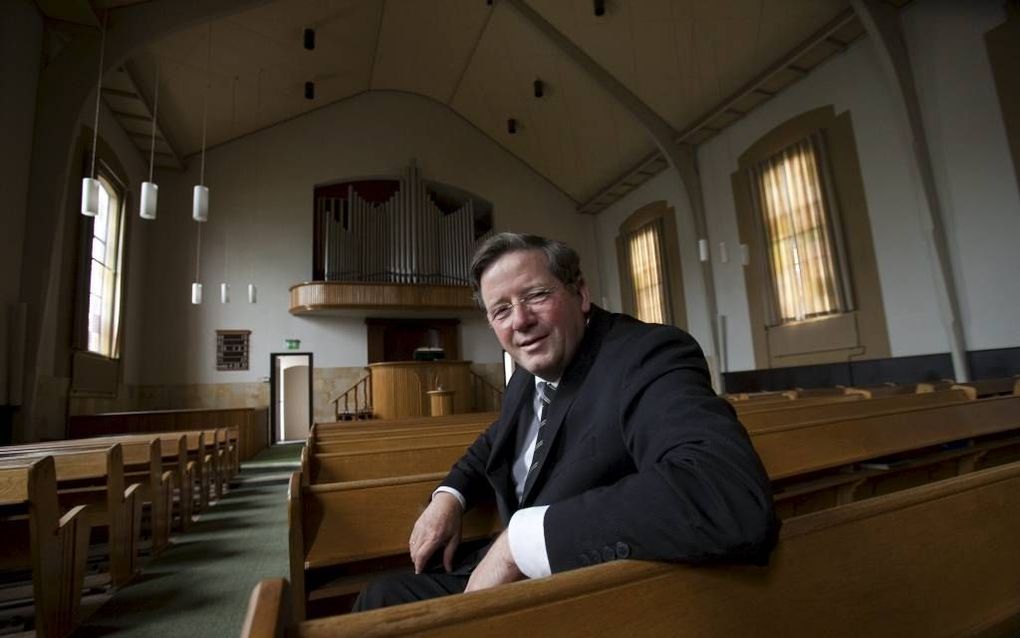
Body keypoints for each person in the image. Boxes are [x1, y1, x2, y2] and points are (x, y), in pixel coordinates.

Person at [354, 233, 778, 610]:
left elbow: (724, 493)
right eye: (501, 310)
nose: (520, 320)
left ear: (580, 293)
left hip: (583, 590)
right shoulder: (527, 372)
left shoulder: (645, 355)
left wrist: (516, 546)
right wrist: (450, 496)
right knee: (378, 597)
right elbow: (497, 439)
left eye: (536, 295)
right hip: (508, 564)